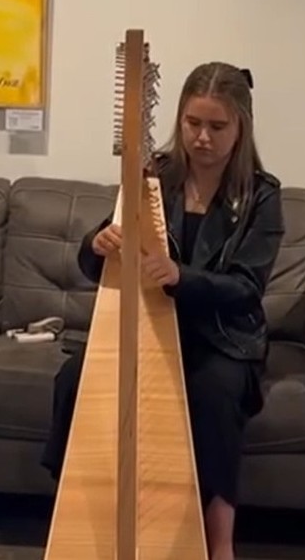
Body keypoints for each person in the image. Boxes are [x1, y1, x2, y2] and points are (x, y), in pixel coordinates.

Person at [41, 62, 285, 560]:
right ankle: (80, 512)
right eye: (193, 123)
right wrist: (98, 242)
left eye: (217, 126)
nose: (202, 137)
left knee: (215, 395)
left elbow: (246, 288)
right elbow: (95, 261)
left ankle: (220, 543)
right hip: (151, 326)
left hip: (221, 338)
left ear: (241, 128)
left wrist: (180, 275)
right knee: (74, 378)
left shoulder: (261, 195)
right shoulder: (155, 175)